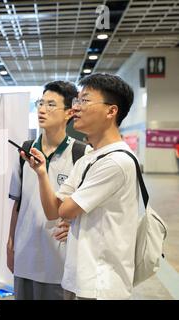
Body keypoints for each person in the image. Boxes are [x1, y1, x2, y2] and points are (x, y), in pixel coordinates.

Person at [23, 73, 138, 300]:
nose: (76, 108)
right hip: (79, 278)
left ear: (111, 111)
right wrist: (42, 173)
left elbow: (65, 210)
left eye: (85, 101)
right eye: (77, 101)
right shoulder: (90, 158)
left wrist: (71, 216)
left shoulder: (116, 161)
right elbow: (53, 212)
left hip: (102, 285)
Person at [7, 81, 91, 300]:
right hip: (25, 256)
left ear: (69, 113)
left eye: (51, 104)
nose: (42, 109)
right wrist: (11, 241)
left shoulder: (81, 153)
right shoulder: (26, 150)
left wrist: (74, 224)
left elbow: (88, 207)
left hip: (59, 261)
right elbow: (18, 202)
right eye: (41, 103)